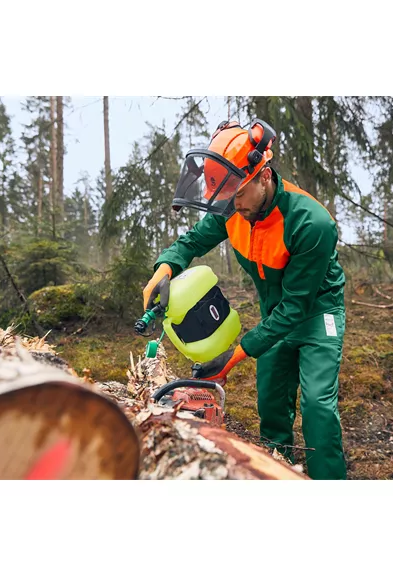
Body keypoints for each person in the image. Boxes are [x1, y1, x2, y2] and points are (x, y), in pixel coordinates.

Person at [142, 119, 347, 480]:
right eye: (226, 197)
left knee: (317, 406)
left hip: (317, 313)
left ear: (264, 176)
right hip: (274, 316)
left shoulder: (311, 222)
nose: (232, 205)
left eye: (238, 195)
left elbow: (296, 307)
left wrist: (237, 355)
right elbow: (190, 242)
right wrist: (165, 268)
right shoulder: (231, 209)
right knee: (270, 407)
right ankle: (274, 475)